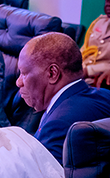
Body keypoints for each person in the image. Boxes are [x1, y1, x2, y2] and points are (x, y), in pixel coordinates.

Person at [17, 32, 110, 163]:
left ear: (52, 73)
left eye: (24, 73)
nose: (18, 82)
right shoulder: (105, 96)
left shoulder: (57, 125)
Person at [80, 0, 110, 85]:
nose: (108, 4)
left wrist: (88, 71)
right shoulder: (98, 22)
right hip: (81, 78)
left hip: (99, 83)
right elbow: (84, 50)